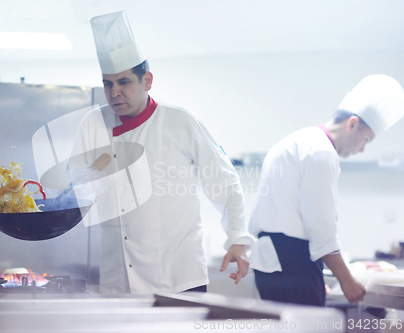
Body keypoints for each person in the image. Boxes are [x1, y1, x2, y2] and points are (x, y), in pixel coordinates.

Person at [71, 10, 253, 294]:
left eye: (124, 82)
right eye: (108, 83)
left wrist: (237, 240)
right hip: (118, 281)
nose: (114, 92)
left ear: (147, 81)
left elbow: (226, 184)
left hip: (179, 278)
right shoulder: (92, 124)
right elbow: (77, 192)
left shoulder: (181, 122)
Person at [248, 74, 404, 306]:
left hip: (275, 266)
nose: (361, 150)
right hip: (290, 264)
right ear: (352, 124)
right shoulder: (321, 152)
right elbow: (321, 228)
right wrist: (345, 280)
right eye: (366, 140)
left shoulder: (298, 141)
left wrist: (311, 278)